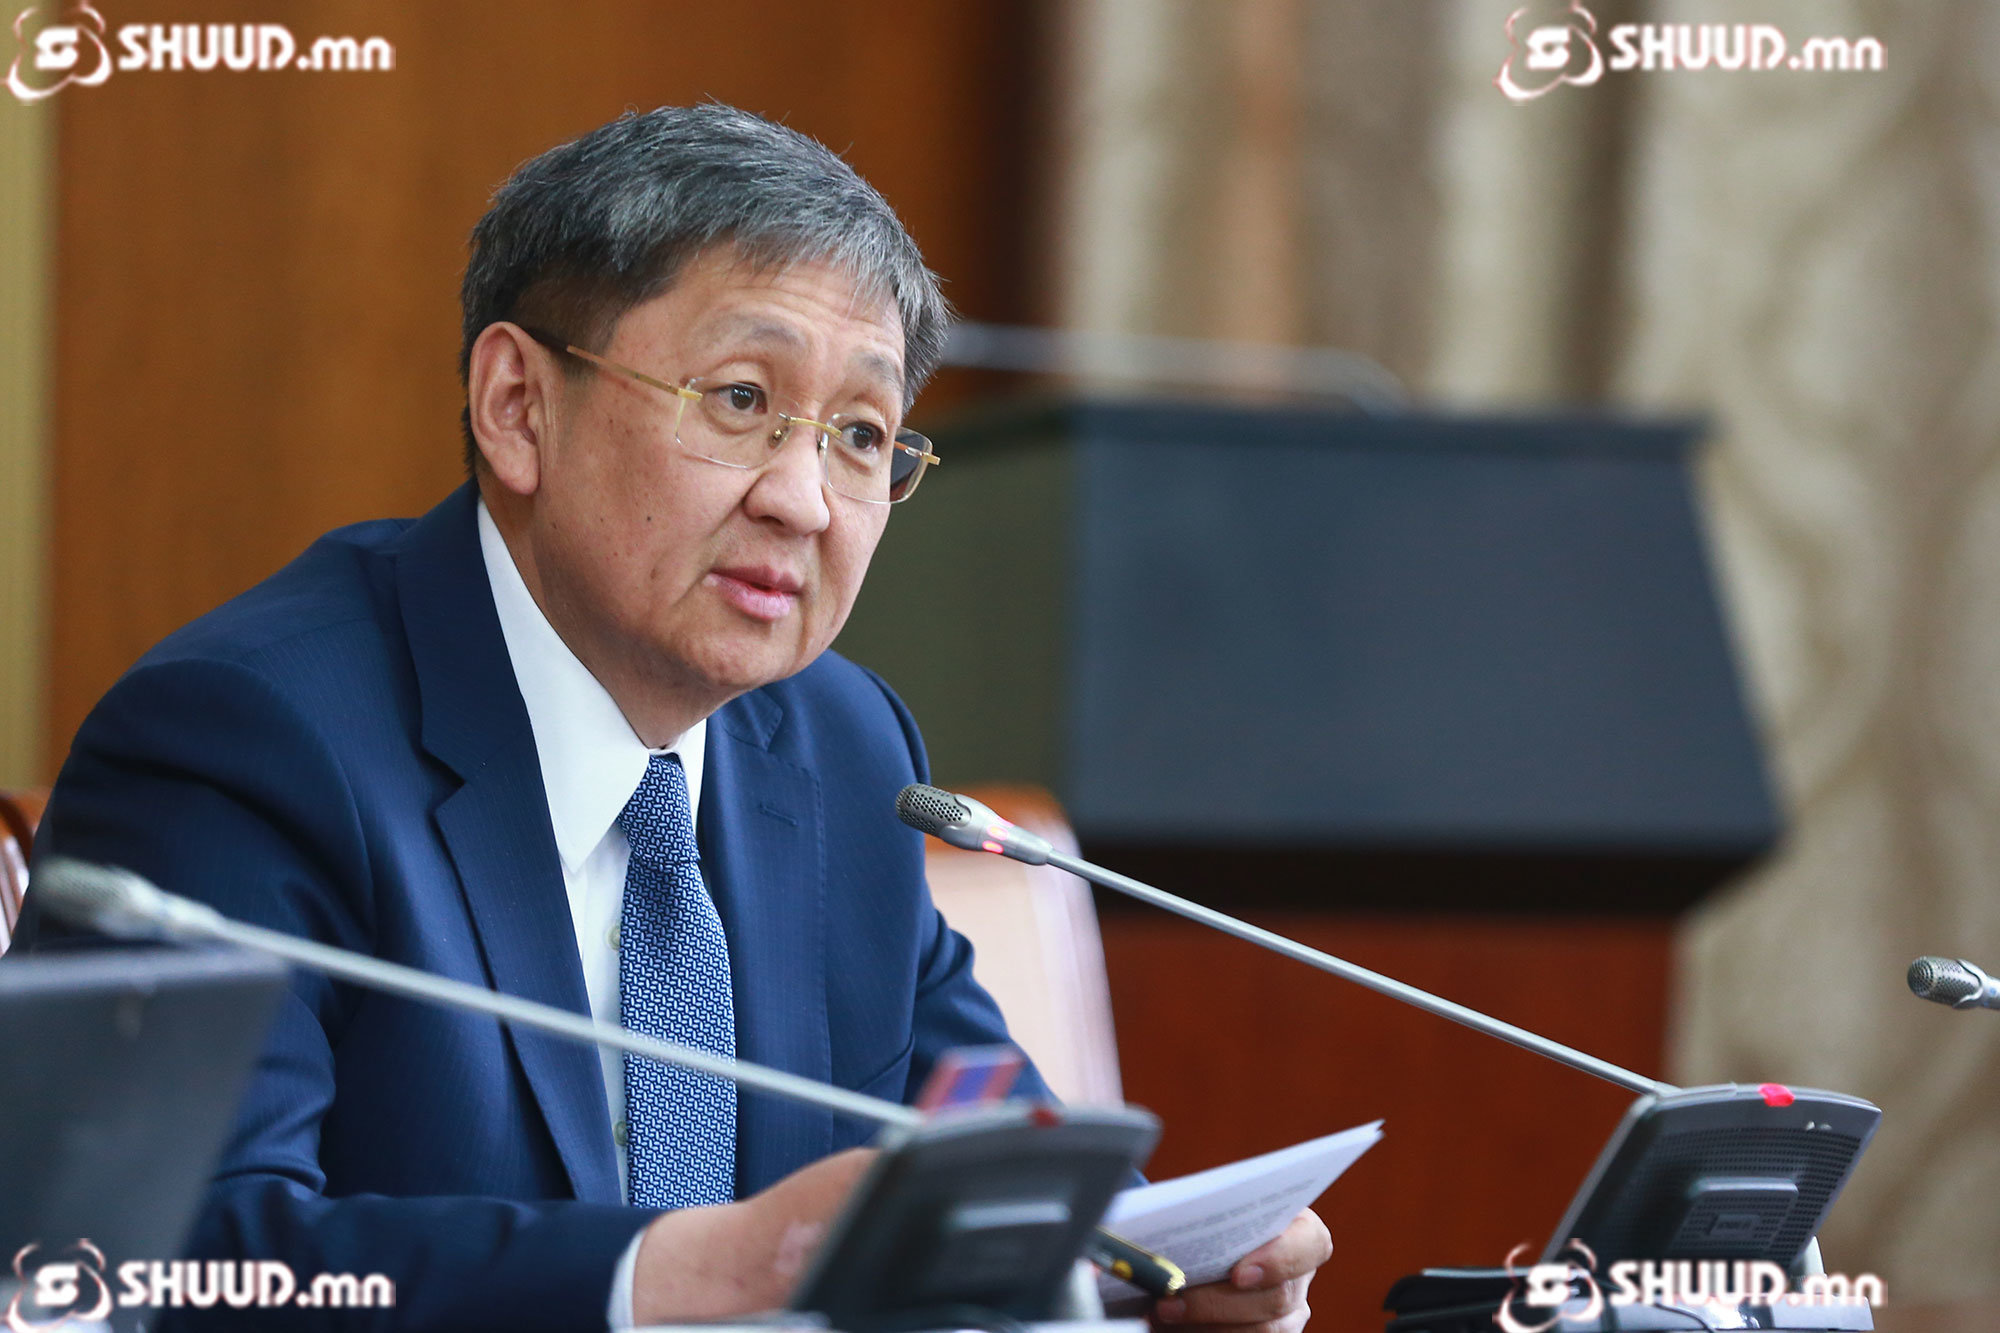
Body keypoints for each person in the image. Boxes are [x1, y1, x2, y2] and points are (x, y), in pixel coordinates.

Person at [17, 104, 1329, 1330]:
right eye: (743, 400)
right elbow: (138, 1262)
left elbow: (976, 1142)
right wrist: (687, 1272)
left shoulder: (842, 749)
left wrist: (1144, 1261)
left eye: (862, 434)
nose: (803, 500)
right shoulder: (249, 739)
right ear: (518, 407)